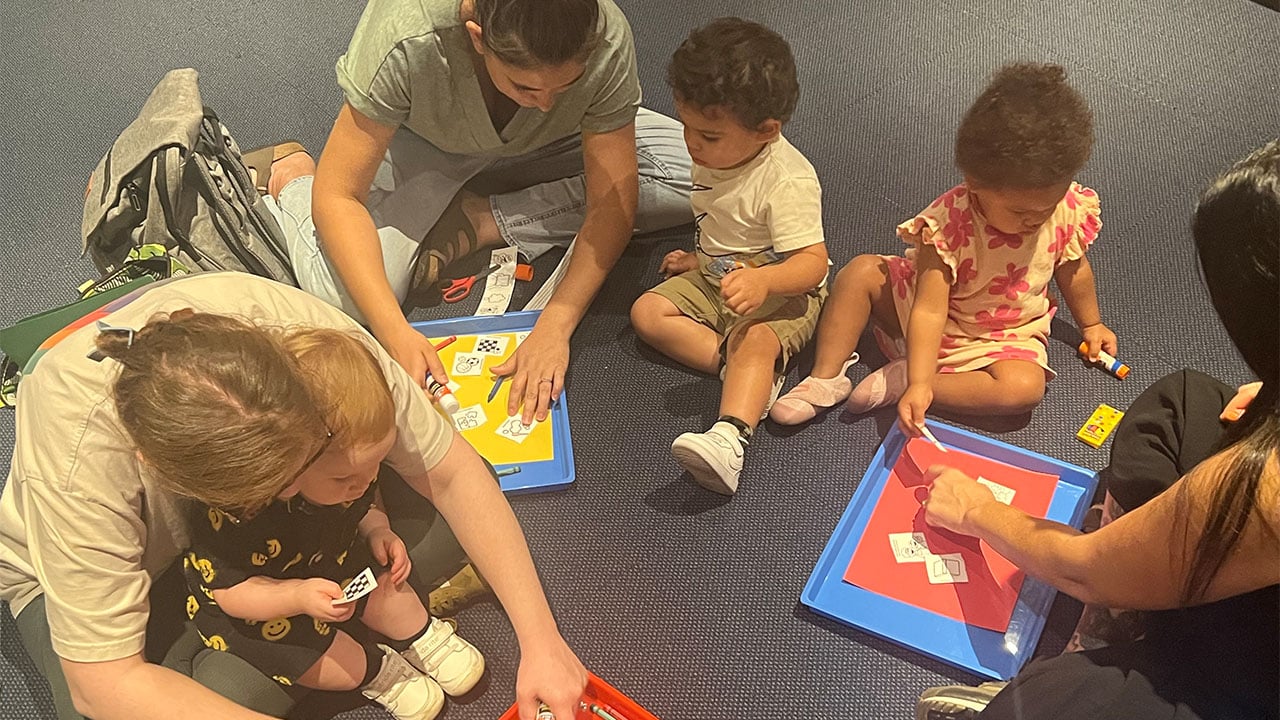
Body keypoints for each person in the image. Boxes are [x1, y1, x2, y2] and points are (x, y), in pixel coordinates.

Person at [0, 273, 586, 720]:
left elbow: (455, 472)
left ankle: (326, 644)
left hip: (284, 555)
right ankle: (307, 649)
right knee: (173, 697)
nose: (295, 490)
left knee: (449, 511)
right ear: (156, 469)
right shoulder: (78, 459)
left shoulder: (303, 335)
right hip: (142, 576)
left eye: (304, 463)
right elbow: (102, 683)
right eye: (273, 487)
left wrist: (543, 642)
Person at [915, 140, 1279, 720]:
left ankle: (1131, 640)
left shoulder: (1266, 485)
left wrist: (976, 509)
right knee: (1182, 399)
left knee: (1042, 699)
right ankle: (1122, 621)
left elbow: (1082, 567)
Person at [255, 0, 693, 427]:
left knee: (701, 180)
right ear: (477, 38)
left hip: (556, 144)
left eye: (565, 87)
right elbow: (338, 197)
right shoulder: (406, 31)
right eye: (525, 87)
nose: (544, 104)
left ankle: (480, 217)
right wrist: (393, 331)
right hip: (428, 147)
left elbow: (611, 205)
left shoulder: (604, 35)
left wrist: (555, 323)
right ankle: (291, 176)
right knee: (345, 300)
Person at [770, 63, 1115, 436]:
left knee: (1024, 390)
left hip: (1003, 333)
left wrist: (1091, 323)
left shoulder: (1065, 209)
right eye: (1020, 212)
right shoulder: (948, 227)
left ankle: (907, 380)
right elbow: (929, 310)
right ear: (975, 184)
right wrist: (923, 371)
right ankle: (825, 377)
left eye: (1047, 207)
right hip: (927, 313)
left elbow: (1073, 269)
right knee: (860, 273)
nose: (1036, 220)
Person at [180, 328, 484, 720]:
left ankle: (422, 636)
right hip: (259, 603)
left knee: (390, 587)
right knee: (326, 660)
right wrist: (297, 597)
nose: (362, 484)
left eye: (374, 466)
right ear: (290, 469)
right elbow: (231, 593)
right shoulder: (236, 511)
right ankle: (376, 671)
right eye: (343, 479)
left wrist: (378, 527)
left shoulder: (348, 477)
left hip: (328, 557)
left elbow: (365, 498)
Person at [628, 18, 829, 495]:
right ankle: (744, 373)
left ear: (766, 131)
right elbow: (722, 222)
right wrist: (701, 263)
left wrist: (764, 283)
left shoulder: (787, 181)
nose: (692, 144)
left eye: (710, 136)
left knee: (756, 342)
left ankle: (730, 437)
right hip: (718, 272)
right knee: (646, 312)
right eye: (687, 127)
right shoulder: (712, 153)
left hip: (784, 290)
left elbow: (813, 263)